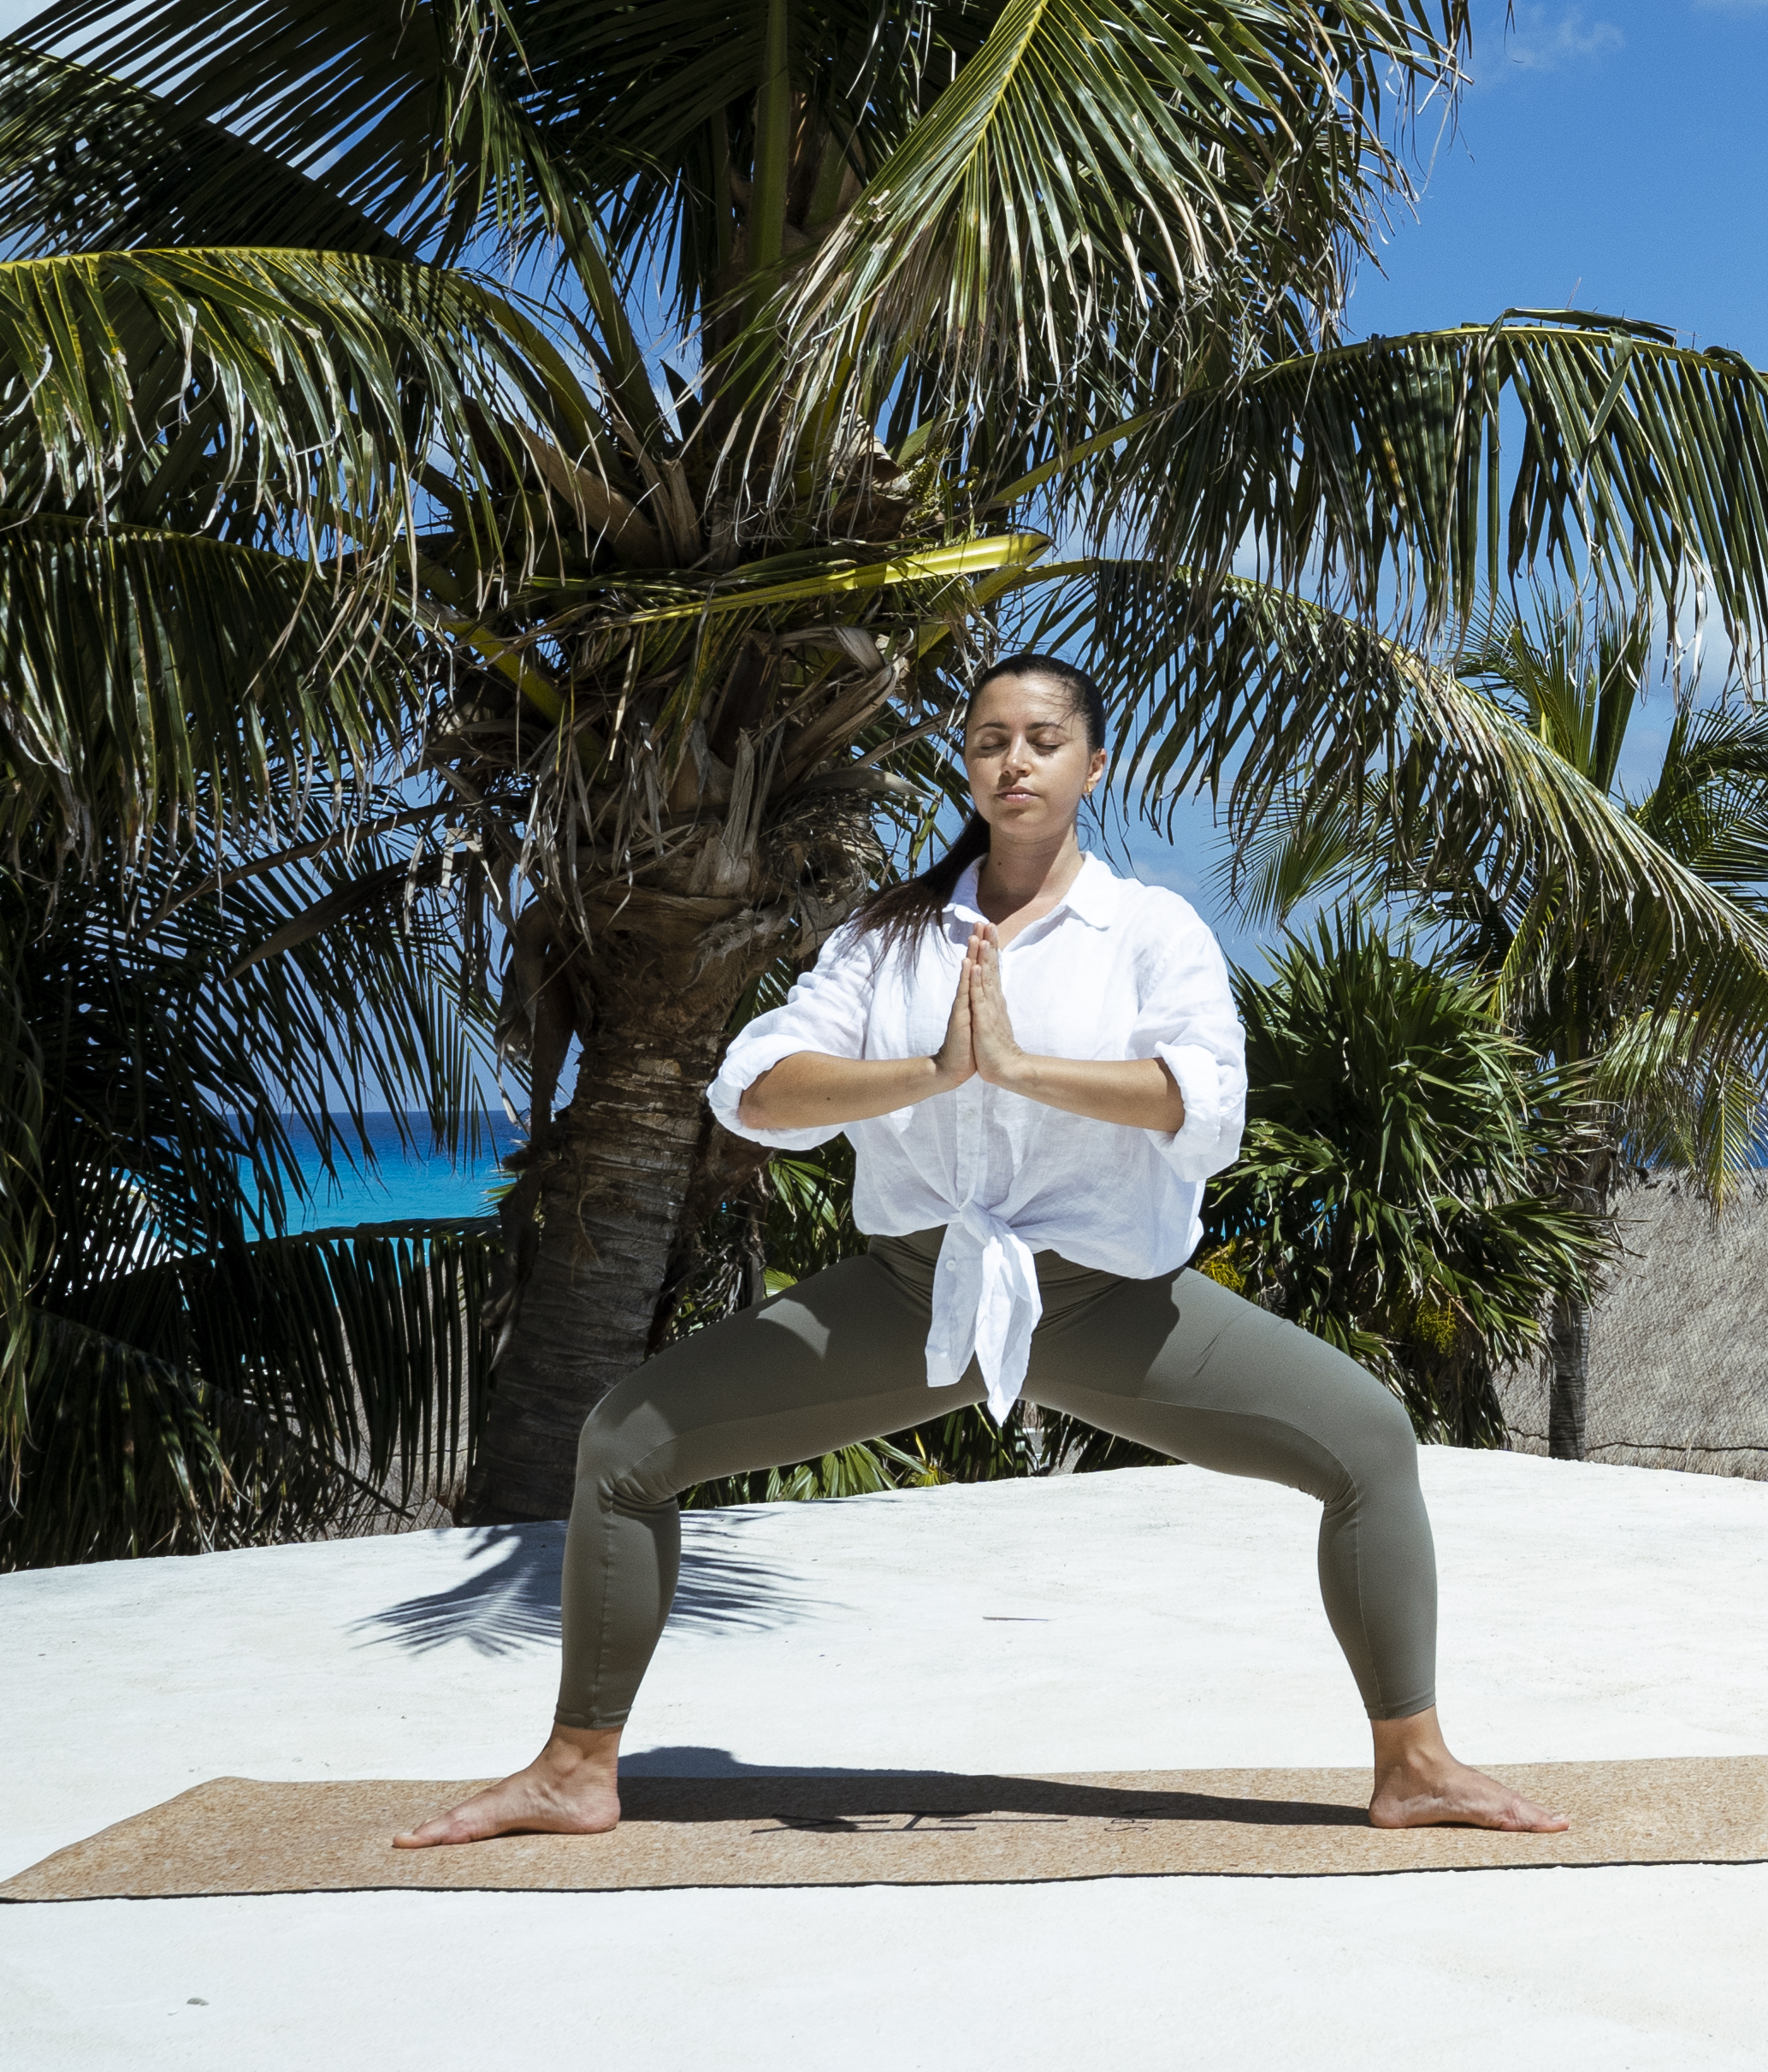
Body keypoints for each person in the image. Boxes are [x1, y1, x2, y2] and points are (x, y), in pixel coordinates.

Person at [401, 654, 1563, 1846]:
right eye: (990, 739)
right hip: (915, 1293)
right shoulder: (889, 937)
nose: (1015, 760)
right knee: (627, 1442)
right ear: (967, 765)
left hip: (1111, 1301)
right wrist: (934, 1072)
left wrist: (1019, 1069)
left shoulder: (1149, 931)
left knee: (1367, 1440)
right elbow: (754, 1087)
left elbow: (1207, 1106)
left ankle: (1415, 1766)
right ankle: (575, 1768)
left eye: (1044, 738)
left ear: (1091, 765)